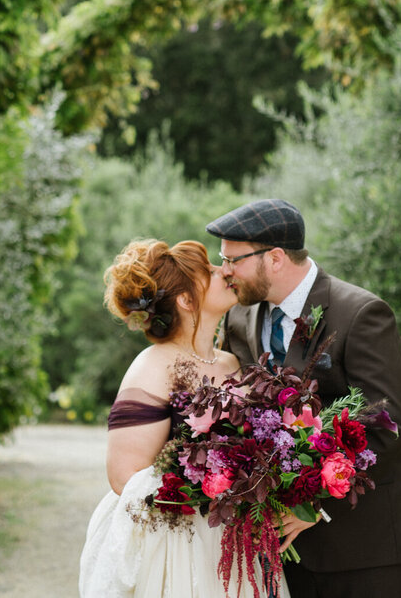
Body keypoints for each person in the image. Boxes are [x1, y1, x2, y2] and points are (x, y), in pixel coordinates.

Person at [207, 199, 401, 598]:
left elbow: (387, 424)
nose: (224, 271)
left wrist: (313, 503)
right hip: (278, 555)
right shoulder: (239, 318)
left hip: (367, 546)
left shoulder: (362, 313)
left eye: (232, 260)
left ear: (274, 258)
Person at [79, 238, 290, 598]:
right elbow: (124, 477)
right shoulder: (152, 366)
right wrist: (208, 481)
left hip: (237, 538)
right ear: (186, 300)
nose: (225, 270)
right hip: (180, 545)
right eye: (209, 270)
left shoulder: (231, 362)